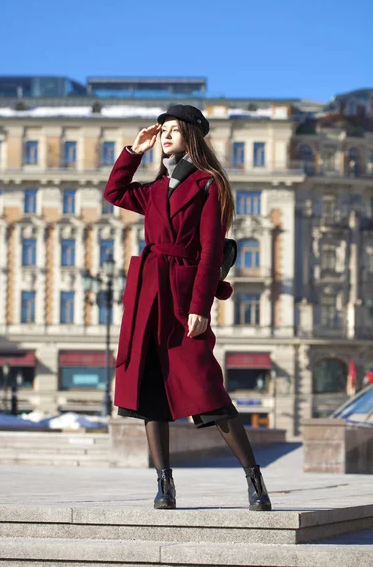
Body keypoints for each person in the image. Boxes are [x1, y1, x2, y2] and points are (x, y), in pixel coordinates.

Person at [103, 105, 272, 512]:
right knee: (149, 391)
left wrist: (200, 306)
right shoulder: (153, 189)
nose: (165, 135)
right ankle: (164, 484)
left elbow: (211, 249)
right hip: (148, 295)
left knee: (206, 387)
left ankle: (254, 479)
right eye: (163, 130)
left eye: (174, 130)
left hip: (182, 296)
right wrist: (134, 150)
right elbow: (114, 192)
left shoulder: (206, 184)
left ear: (192, 137)